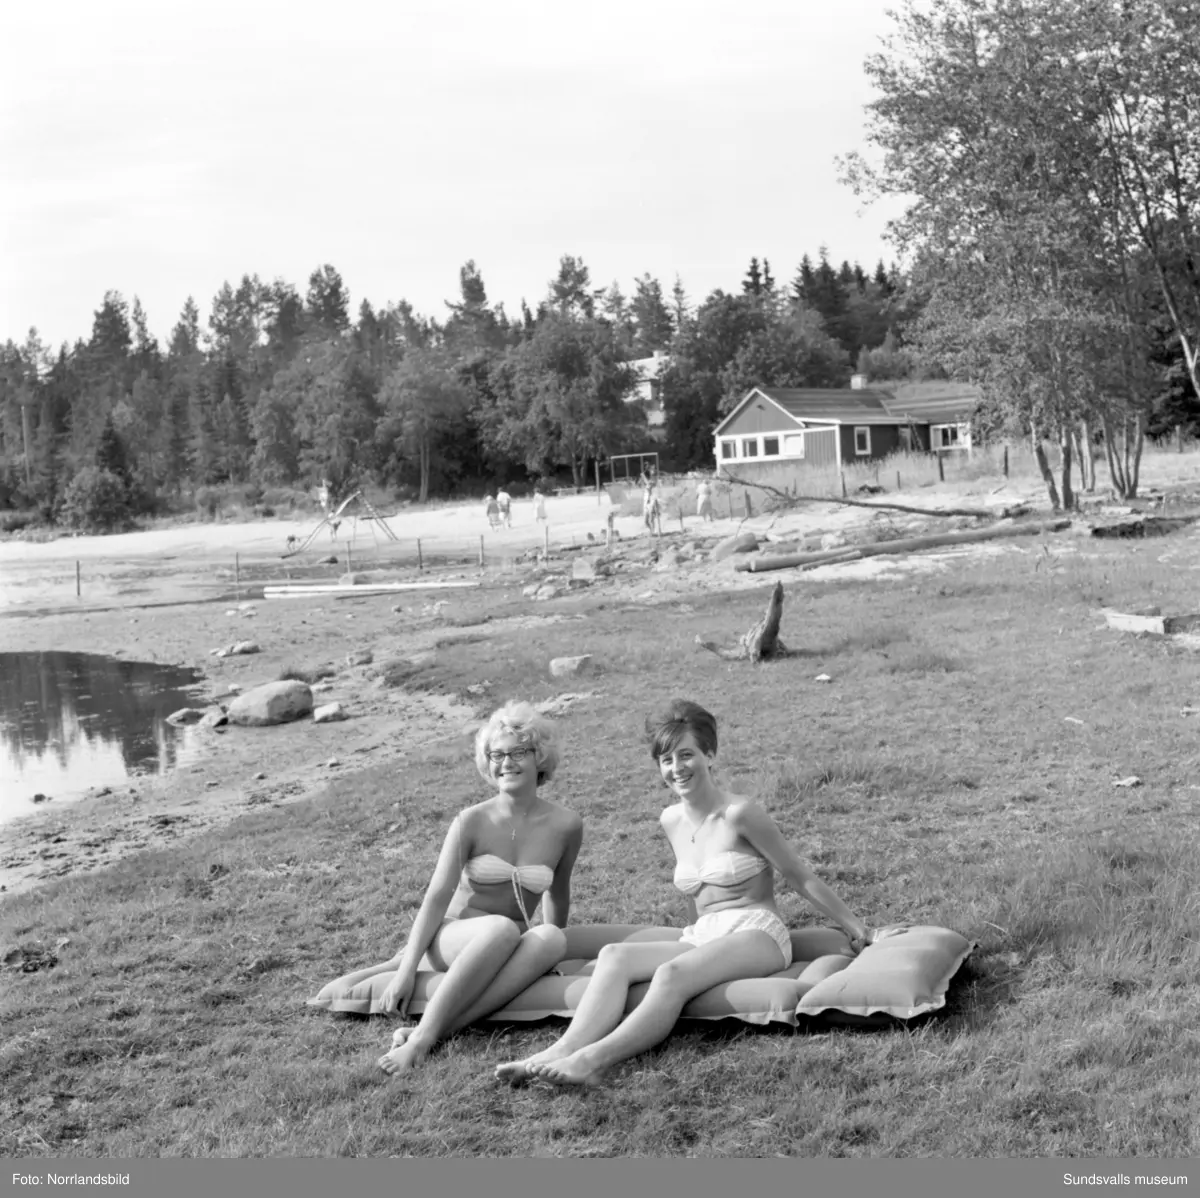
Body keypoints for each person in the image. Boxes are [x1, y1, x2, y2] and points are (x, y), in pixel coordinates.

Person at [496, 699, 894, 1089]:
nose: (677, 768)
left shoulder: (740, 813)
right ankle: (559, 1050)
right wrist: (689, 939)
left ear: (710, 755)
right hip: (704, 933)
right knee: (615, 955)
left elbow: (798, 875)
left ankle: (591, 1063)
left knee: (671, 975)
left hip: (757, 933)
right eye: (666, 760)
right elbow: (694, 894)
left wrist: (861, 930)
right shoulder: (671, 819)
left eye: (686, 755)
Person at [368, 701, 583, 1076]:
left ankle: (438, 1030)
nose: (506, 763)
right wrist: (406, 968)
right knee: (500, 927)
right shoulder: (470, 821)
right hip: (452, 937)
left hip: (510, 940)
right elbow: (436, 897)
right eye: (497, 755)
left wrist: (550, 958)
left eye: (518, 752)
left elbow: (558, 893)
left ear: (540, 757)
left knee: (551, 938)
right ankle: (420, 1042)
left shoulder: (566, 825)